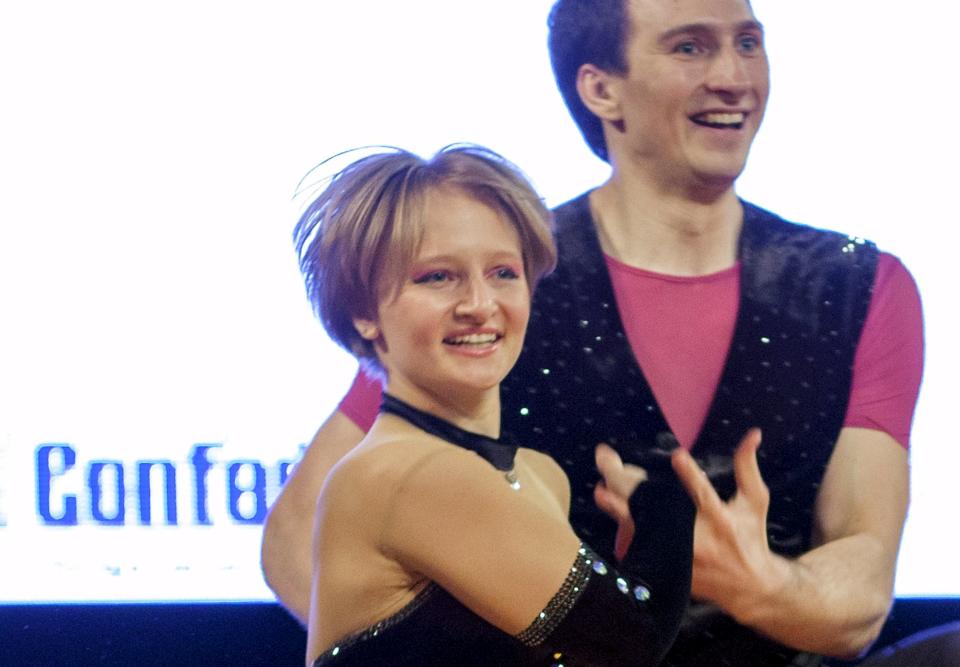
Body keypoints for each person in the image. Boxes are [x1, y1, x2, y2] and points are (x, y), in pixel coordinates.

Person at [264, 1, 931, 664]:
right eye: (690, 48)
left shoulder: (860, 286)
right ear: (600, 86)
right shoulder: (493, 280)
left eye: (749, 43)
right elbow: (299, 537)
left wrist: (762, 583)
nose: (734, 76)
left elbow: (863, 586)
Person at [293, 144, 699, 666]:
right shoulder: (403, 473)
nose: (480, 306)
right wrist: (667, 502)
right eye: (437, 276)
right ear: (363, 311)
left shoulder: (537, 475)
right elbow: (627, 638)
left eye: (503, 272)